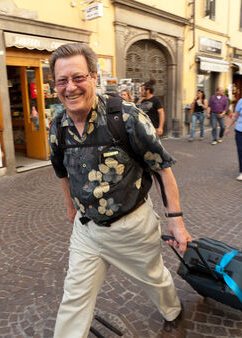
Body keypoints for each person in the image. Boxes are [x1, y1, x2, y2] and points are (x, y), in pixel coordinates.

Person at [48, 43, 192, 337]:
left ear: (93, 78)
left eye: (78, 77)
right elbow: (61, 170)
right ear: (55, 85)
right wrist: (70, 207)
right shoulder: (58, 125)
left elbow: (162, 168)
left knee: (154, 279)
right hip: (87, 230)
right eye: (62, 80)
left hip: (132, 228)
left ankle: (173, 312)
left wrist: (175, 221)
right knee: (74, 298)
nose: (70, 87)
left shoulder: (125, 117)